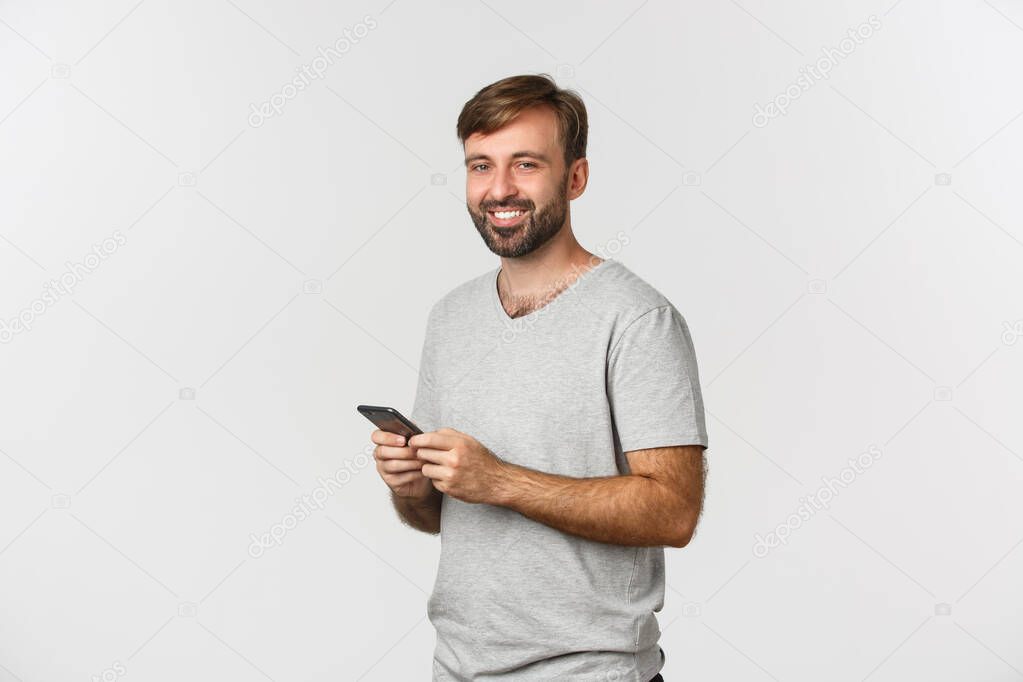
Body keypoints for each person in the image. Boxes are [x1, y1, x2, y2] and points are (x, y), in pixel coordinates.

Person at [370, 73, 707, 682]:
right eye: (480, 166)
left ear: (575, 177)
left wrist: (499, 480)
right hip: (457, 667)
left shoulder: (637, 320)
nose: (499, 188)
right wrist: (411, 485)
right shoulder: (450, 318)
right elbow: (437, 516)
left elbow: (673, 510)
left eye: (525, 164)